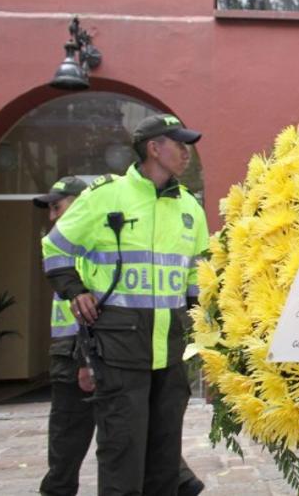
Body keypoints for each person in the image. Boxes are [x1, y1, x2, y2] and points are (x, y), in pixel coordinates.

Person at [42, 114, 209, 496]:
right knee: (122, 454)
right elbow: (55, 247)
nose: (187, 152)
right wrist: (74, 290)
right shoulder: (105, 197)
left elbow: (197, 279)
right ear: (154, 148)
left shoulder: (190, 209)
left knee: (165, 459)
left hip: (170, 353)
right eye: (179, 144)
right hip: (119, 350)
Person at [35, 176, 92, 496]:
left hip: (80, 353)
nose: (52, 215)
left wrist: (86, 359)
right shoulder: (62, 244)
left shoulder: (91, 244)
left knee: (68, 444)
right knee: (66, 444)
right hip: (68, 352)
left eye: (57, 206)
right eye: (50, 209)